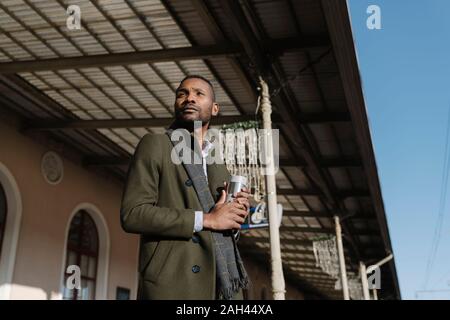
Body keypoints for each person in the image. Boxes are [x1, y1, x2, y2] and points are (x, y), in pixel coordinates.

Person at [120, 75, 251, 300]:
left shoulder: (218, 163)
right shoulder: (155, 144)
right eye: (182, 93)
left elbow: (223, 225)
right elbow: (133, 214)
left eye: (199, 94)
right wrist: (207, 219)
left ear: (215, 108)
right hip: (173, 284)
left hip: (221, 288)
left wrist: (235, 217)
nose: (189, 98)